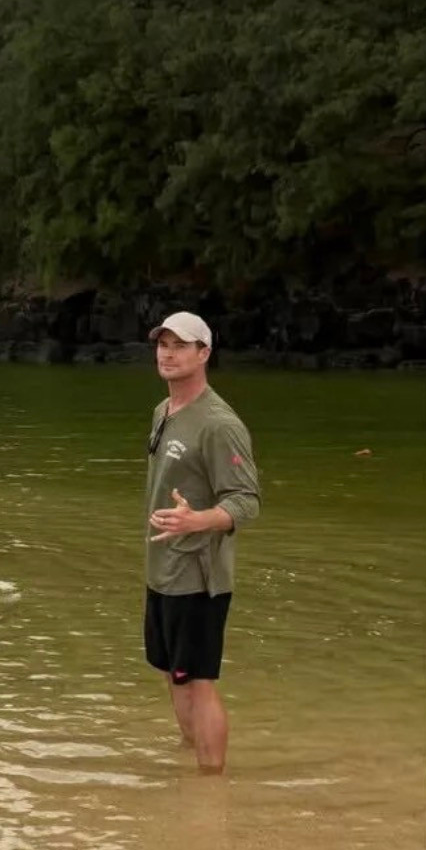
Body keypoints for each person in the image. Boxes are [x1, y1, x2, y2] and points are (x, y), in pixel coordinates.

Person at [144, 312, 260, 774]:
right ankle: (190, 779)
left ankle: (212, 788)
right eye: (163, 343)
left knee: (200, 680)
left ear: (204, 354)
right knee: (175, 673)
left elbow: (246, 501)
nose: (168, 353)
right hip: (161, 568)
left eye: (181, 345)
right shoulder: (163, 410)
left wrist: (197, 521)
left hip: (198, 575)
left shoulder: (219, 424)